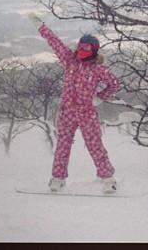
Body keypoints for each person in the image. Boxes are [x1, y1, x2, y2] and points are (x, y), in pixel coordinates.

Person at [28, 13, 122, 194]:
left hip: (87, 112)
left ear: (94, 50)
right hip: (67, 112)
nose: (82, 50)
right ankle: (57, 179)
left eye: (86, 47)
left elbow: (115, 83)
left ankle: (108, 179)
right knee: (63, 145)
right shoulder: (70, 61)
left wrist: (101, 97)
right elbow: (55, 43)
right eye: (80, 46)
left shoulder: (98, 69)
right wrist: (41, 27)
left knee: (95, 145)